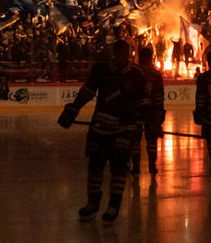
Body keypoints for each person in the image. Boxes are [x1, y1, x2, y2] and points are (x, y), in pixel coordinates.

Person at [58, 39, 146, 222]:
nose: (121, 58)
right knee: (95, 166)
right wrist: (74, 108)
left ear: (129, 54)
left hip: (125, 127)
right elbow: (88, 91)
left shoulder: (137, 74)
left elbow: (143, 103)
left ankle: (114, 205)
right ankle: (93, 203)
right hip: (100, 125)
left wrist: (147, 123)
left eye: (124, 54)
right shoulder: (101, 70)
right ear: (113, 54)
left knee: (119, 167)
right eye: (118, 54)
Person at [132, 45, 166, 175]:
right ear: (151, 58)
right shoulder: (156, 74)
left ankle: (136, 167)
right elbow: (159, 96)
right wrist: (159, 113)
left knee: (135, 141)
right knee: (151, 141)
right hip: (151, 112)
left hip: (136, 112)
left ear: (140, 58)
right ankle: (152, 166)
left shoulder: (133, 72)